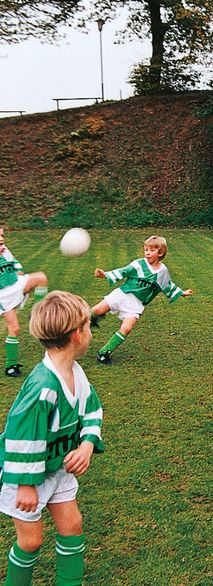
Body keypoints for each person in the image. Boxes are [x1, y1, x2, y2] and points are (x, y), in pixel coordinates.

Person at [0, 291, 104, 585]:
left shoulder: (76, 372)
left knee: (72, 525)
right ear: (76, 335)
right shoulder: (43, 386)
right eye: (87, 326)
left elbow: (93, 409)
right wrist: (25, 485)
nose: (90, 333)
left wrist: (85, 446)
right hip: (24, 477)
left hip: (58, 468)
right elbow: (22, 435)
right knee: (30, 541)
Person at [90, 235, 193, 364]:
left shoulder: (162, 271)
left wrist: (182, 293)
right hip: (122, 294)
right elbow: (123, 271)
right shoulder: (138, 264)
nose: (147, 253)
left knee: (127, 328)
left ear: (160, 253)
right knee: (97, 310)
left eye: (151, 250)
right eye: (146, 250)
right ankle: (75, 327)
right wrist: (104, 274)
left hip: (136, 304)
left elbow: (168, 285)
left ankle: (104, 353)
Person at [0, 225, 48, 377]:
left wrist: (18, 272)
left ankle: (36, 312)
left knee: (40, 278)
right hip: (3, 296)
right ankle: (11, 365)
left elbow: (15, 265)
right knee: (14, 329)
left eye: (2, 236)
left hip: (16, 284)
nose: (2, 239)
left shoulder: (4, 249)